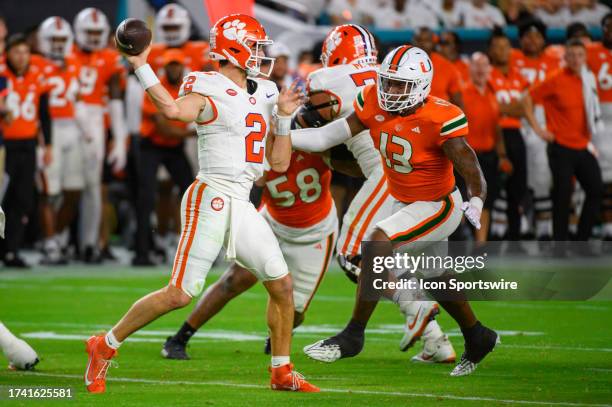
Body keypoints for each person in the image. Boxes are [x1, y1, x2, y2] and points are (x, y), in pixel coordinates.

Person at [84, 14, 318, 393]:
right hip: (210, 195)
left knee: (282, 285)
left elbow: (278, 164)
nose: (262, 54)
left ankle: (281, 371)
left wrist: (285, 120)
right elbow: (174, 112)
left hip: (242, 200)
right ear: (235, 49)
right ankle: (104, 345)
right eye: (255, 47)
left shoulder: (269, 92)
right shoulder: (206, 84)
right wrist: (141, 66)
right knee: (180, 293)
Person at [289, 45, 499, 377]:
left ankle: (353, 334)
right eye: (389, 82)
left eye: (402, 85)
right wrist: (281, 132)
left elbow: (469, 165)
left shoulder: (439, 116)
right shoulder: (372, 100)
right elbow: (325, 137)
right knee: (436, 277)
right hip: (404, 201)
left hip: (438, 205)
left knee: (375, 245)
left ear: (422, 86)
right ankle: (478, 335)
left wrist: (477, 200)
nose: (392, 91)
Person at [308, 25, 455, 363]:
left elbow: (316, 129)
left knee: (354, 255)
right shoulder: (386, 74)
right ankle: (439, 342)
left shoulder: (324, 79)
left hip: (385, 175)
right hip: (418, 176)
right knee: (423, 264)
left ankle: (415, 305)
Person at [163, 149, 338, 359]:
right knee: (234, 280)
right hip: (272, 221)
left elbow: (349, 164)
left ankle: (276, 338)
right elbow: (248, 194)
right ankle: (180, 337)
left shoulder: (316, 141)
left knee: (296, 308)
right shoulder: (261, 150)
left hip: (314, 234)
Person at [522, 39, 603, 249]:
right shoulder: (555, 78)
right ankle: (559, 246)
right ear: (565, 58)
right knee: (562, 194)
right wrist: (539, 130)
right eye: (572, 55)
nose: (576, 59)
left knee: (595, 189)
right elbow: (527, 98)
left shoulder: (588, 79)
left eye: (580, 55)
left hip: (582, 146)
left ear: (585, 58)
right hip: (561, 147)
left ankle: (581, 242)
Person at [73, 7, 128, 262]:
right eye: (89, 32)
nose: (94, 37)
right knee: (64, 189)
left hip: (96, 125)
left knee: (95, 188)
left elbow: (116, 98)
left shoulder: (109, 58)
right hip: (66, 121)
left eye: (98, 32)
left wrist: (118, 138)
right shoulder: (65, 53)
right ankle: (62, 240)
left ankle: (91, 243)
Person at [133, 49, 195, 266]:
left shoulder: (188, 88)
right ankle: (142, 251)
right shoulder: (155, 88)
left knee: (192, 191)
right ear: (165, 67)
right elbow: (164, 129)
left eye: (177, 65)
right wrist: (194, 132)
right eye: (171, 65)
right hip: (152, 145)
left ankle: (194, 248)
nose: (174, 69)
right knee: (146, 197)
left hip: (175, 147)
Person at [0, 34, 52, 268]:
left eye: (25, 52)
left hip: (28, 144)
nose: (21, 57)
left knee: (22, 200)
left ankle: (11, 250)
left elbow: (43, 112)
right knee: (2, 199)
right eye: (16, 52)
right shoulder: (2, 75)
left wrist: (47, 144)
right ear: (7, 54)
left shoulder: (36, 74)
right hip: (4, 145)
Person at [36, 17, 84, 265]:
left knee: (74, 189)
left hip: (71, 127)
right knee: (49, 191)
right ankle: (50, 241)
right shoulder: (35, 63)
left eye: (61, 39)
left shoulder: (74, 62)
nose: (56, 44)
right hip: (47, 129)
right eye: (52, 39)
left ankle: (57, 235)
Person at [511, 19, 562, 242]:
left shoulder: (554, 61)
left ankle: (544, 224)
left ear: (544, 39)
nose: (532, 40)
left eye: (537, 36)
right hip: (515, 116)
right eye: (527, 36)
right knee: (517, 170)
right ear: (520, 39)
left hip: (543, 118)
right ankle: (520, 220)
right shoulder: (512, 58)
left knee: (542, 172)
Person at [462, 52, 511, 247]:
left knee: (485, 202)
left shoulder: (493, 94)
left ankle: (480, 246)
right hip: (466, 157)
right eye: (477, 65)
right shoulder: (462, 93)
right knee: (465, 201)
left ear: (490, 69)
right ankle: (462, 242)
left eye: (484, 65)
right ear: (469, 69)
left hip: (488, 156)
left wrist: (502, 155)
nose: (481, 69)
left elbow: (497, 128)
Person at [487, 29, 529, 246]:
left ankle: (515, 237)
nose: (503, 51)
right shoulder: (486, 74)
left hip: (516, 134)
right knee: (492, 186)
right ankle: (490, 236)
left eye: (506, 46)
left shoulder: (518, 75)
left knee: (517, 187)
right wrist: (505, 108)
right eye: (498, 47)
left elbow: (524, 109)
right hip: (494, 132)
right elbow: (490, 108)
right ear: (490, 50)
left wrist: (503, 107)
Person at [587, 13, 612, 240]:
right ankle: (606, 225)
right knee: (604, 175)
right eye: (608, 26)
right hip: (600, 117)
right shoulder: (589, 51)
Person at [412, 27, 463, 108]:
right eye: (418, 40)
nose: (421, 43)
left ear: (433, 43)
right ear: (413, 42)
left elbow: (457, 102)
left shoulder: (447, 66)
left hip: (440, 117)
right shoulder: (403, 64)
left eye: (426, 40)